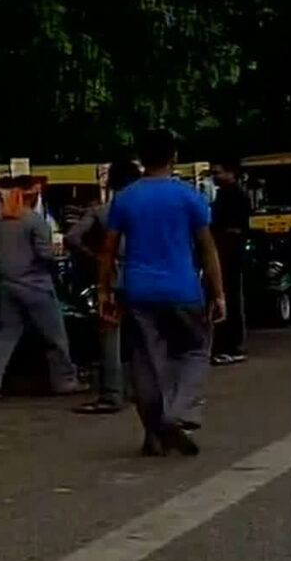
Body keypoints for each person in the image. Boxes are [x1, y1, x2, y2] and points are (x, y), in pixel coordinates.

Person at [98, 130, 226, 456]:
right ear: (174, 157)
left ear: (142, 158)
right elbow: (208, 249)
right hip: (183, 289)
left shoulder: (125, 198)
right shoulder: (189, 196)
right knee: (195, 350)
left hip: (138, 291)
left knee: (145, 360)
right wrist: (219, 293)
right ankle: (178, 414)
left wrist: (104, 293)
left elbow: (108, 251)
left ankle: (154, 431)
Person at [0, 178, 87, 402]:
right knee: (55, 336)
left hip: (8, 285)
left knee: (5, 337)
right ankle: (64, 380)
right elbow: (45, 255)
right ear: (30, 195)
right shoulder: (34, 222)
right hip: (36, 286)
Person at [68, 160, 142, 415]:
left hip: (111, 275)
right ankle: (140, 389)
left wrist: (94, 255)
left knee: (110, 334)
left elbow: (72, 238)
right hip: (143, 274)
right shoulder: (146, 209)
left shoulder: (102, 210)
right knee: (142, 335)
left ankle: (111, 393)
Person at [209, 159, 250, 365]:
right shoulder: (223, 196)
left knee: (231, 299)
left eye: (218, 172)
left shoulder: (237, 197)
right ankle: (225, 343)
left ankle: (232, 345)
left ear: (231, 173)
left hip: (230, 254)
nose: (215, 177)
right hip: (224, 253)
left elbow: (236, 228)